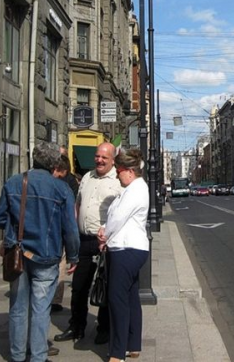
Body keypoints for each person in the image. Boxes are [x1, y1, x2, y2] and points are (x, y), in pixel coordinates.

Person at [0, 142, 80, 362]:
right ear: (53, 163)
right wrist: (73, 255)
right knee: (41, 309)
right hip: (47, 256)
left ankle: (17, 355)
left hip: (18, 253)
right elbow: (70, 227)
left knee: (18, 307)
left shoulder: (14, 182)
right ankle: (39, 357)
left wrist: (14, 230)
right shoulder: (61, 188)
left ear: (33, 159)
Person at [54, 142, 121, 345]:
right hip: (82, 240)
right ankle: (77, 327)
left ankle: (104, 329)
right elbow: (78, 204)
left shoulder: (118, 181)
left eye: (104, 158)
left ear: (113, 160)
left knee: (105, 286)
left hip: (104, 243)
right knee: (79, 287)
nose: (99, 160)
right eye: (97, 156)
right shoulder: (87, 178)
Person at [98, 148, 150, 362]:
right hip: (129, 248)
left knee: (116, 300)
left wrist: (104, 236)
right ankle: (133, 344)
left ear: (129, 171)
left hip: (125, 249)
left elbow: (118, 218)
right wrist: (104, 227)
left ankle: (117, 353)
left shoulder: (135, 190)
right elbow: (116, 218)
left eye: (118, 170)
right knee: (130, 298)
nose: (117, 175)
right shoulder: (133, 188)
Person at [51, 153, 78, 313]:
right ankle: (54, 300)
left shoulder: (68, 183)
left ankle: (53, 299)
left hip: (51, 232)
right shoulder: (70, 184)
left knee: (59, 264)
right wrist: (74, 255)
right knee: (59, 263)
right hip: (59, 229)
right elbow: (71, 213)